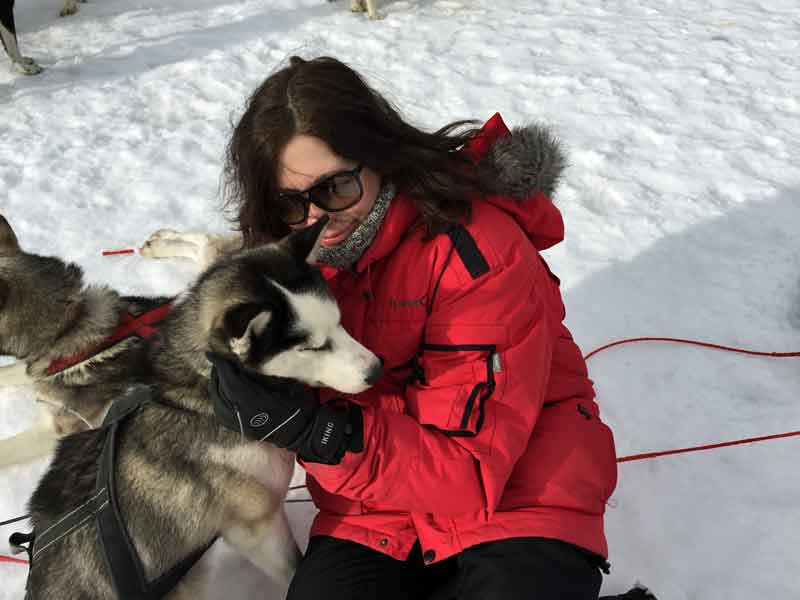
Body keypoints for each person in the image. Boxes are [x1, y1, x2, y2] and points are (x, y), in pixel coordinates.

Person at [206, 55, 654, 600]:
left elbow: (467, 470)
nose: (316, 219)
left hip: (518, 490)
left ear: (380, 160)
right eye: (290, 202)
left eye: (336, 188)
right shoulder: (289, 263)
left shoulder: (477, 250)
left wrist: (320, 432)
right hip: (375, 508)